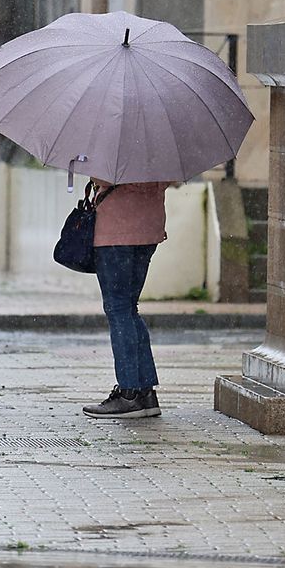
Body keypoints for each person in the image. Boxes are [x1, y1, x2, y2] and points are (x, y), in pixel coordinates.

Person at [83, 178, 174, 419]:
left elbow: (103, 175)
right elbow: (170, 179)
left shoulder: (114, 143)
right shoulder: (160, 144)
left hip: (116, 231)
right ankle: (145, 393)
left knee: (118, 309)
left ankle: (129, 394)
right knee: (129, 308)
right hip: (149, 229)